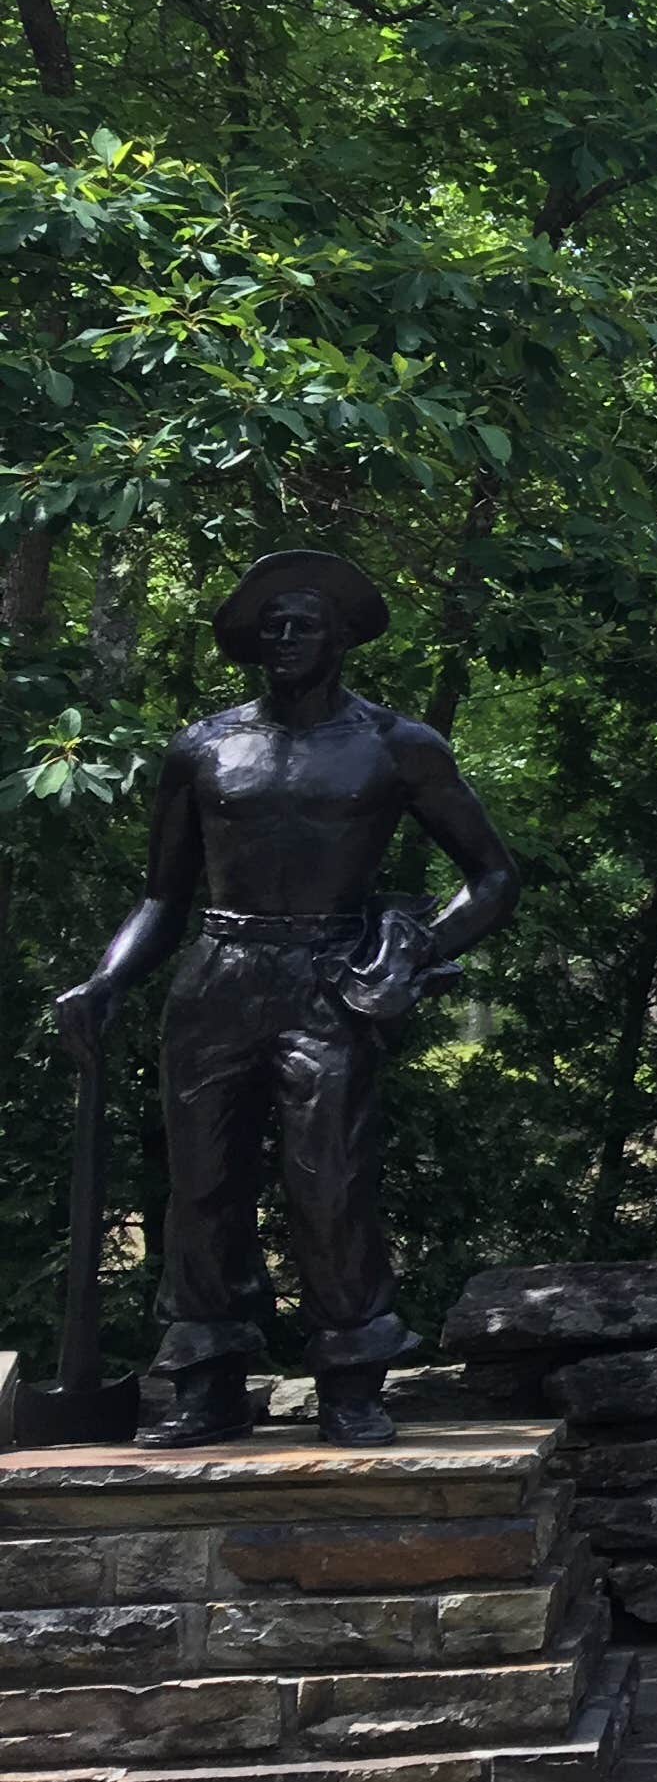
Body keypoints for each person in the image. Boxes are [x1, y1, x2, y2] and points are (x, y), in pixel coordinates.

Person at [51, 552, 517, 1447]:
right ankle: (209, 1377)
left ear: (342, 637)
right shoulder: (204, 747)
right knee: (201, 1185)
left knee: (330, 1182)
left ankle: (351, 1375)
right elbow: (162, 897)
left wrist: (415, 947)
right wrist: (108, 980)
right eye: (273, 628)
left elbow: (493, 876)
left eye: (305, 625)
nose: (288, 639)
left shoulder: (397, 746)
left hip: (327, 978)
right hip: (218, 973)